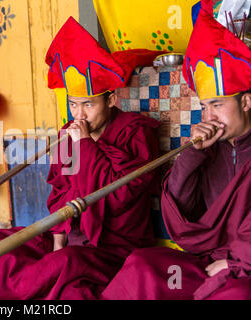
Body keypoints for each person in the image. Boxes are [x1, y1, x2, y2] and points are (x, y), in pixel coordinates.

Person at [0, 17, 162, 300]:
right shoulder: (68, 135)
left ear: (112, 100)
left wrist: (84, 145)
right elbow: (61, 193)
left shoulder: (136, 132)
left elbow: (118, 195)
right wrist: (58, 242)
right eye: (73, 104)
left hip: (114, 247)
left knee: (64, 268)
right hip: (71, 238)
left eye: (89, 104)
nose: (79, 115)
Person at [101, 0, 251, 300]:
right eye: (205, 106)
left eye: (218, 105)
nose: (209, 117)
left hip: (243, 270)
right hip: (207, 261)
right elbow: (181, 216)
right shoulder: (212, 149)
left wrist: (236, 263)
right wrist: (192, 154)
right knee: (142, 266)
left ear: (246, 102)